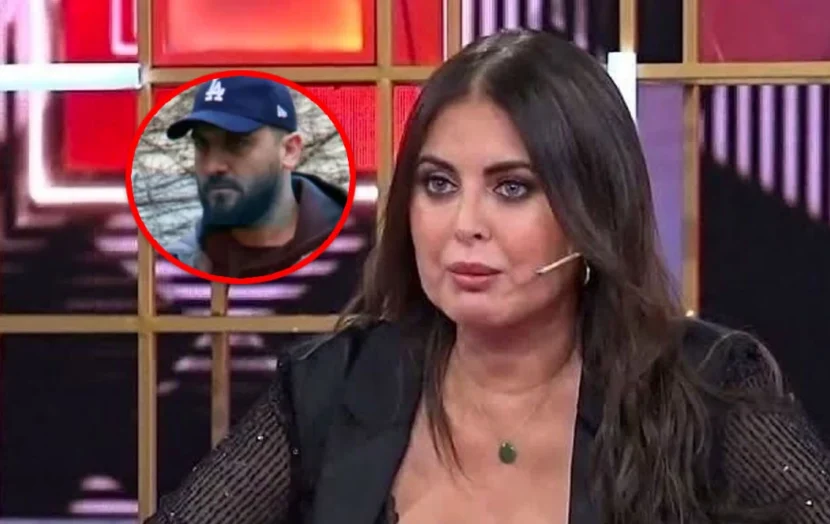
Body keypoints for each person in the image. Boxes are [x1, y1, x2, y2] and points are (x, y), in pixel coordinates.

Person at [144, 29, 830, 523]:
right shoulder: (334, 386)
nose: (464, 224)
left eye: (512, 188)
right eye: (439, 184)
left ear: (590, 210)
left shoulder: (707, 391)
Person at [163, 76, 347, 279]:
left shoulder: (359, 259)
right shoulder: (170, 270)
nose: (212, 166)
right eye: (201, 144)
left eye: (237, 143)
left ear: (289, 151)